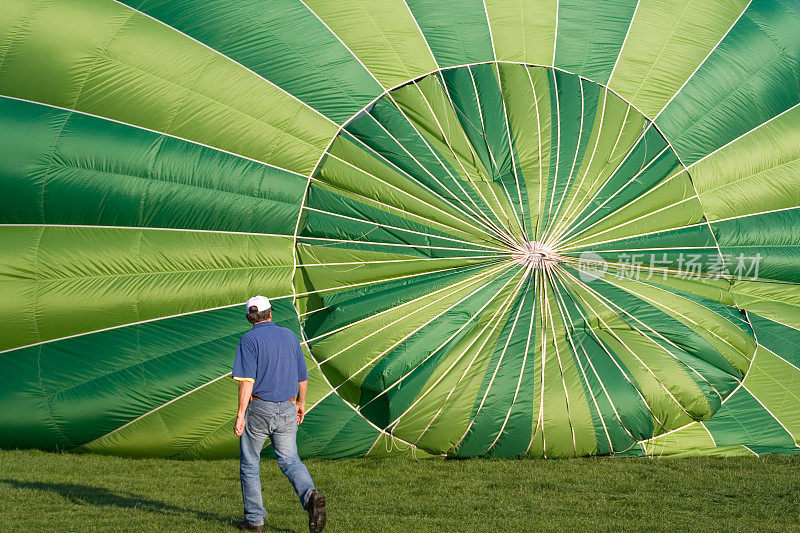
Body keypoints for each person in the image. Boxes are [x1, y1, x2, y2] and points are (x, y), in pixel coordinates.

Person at [232, 295, 326, 532]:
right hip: (286, 407)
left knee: (250, 464)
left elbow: (247, 381)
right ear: (270, 313)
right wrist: (300, 403)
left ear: (249, 318)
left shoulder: (248, 340)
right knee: (290, 460)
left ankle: (255, 521)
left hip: (259, 409)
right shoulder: (289, 336)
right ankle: (311, 496)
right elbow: (302, 377)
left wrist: (241, 414)